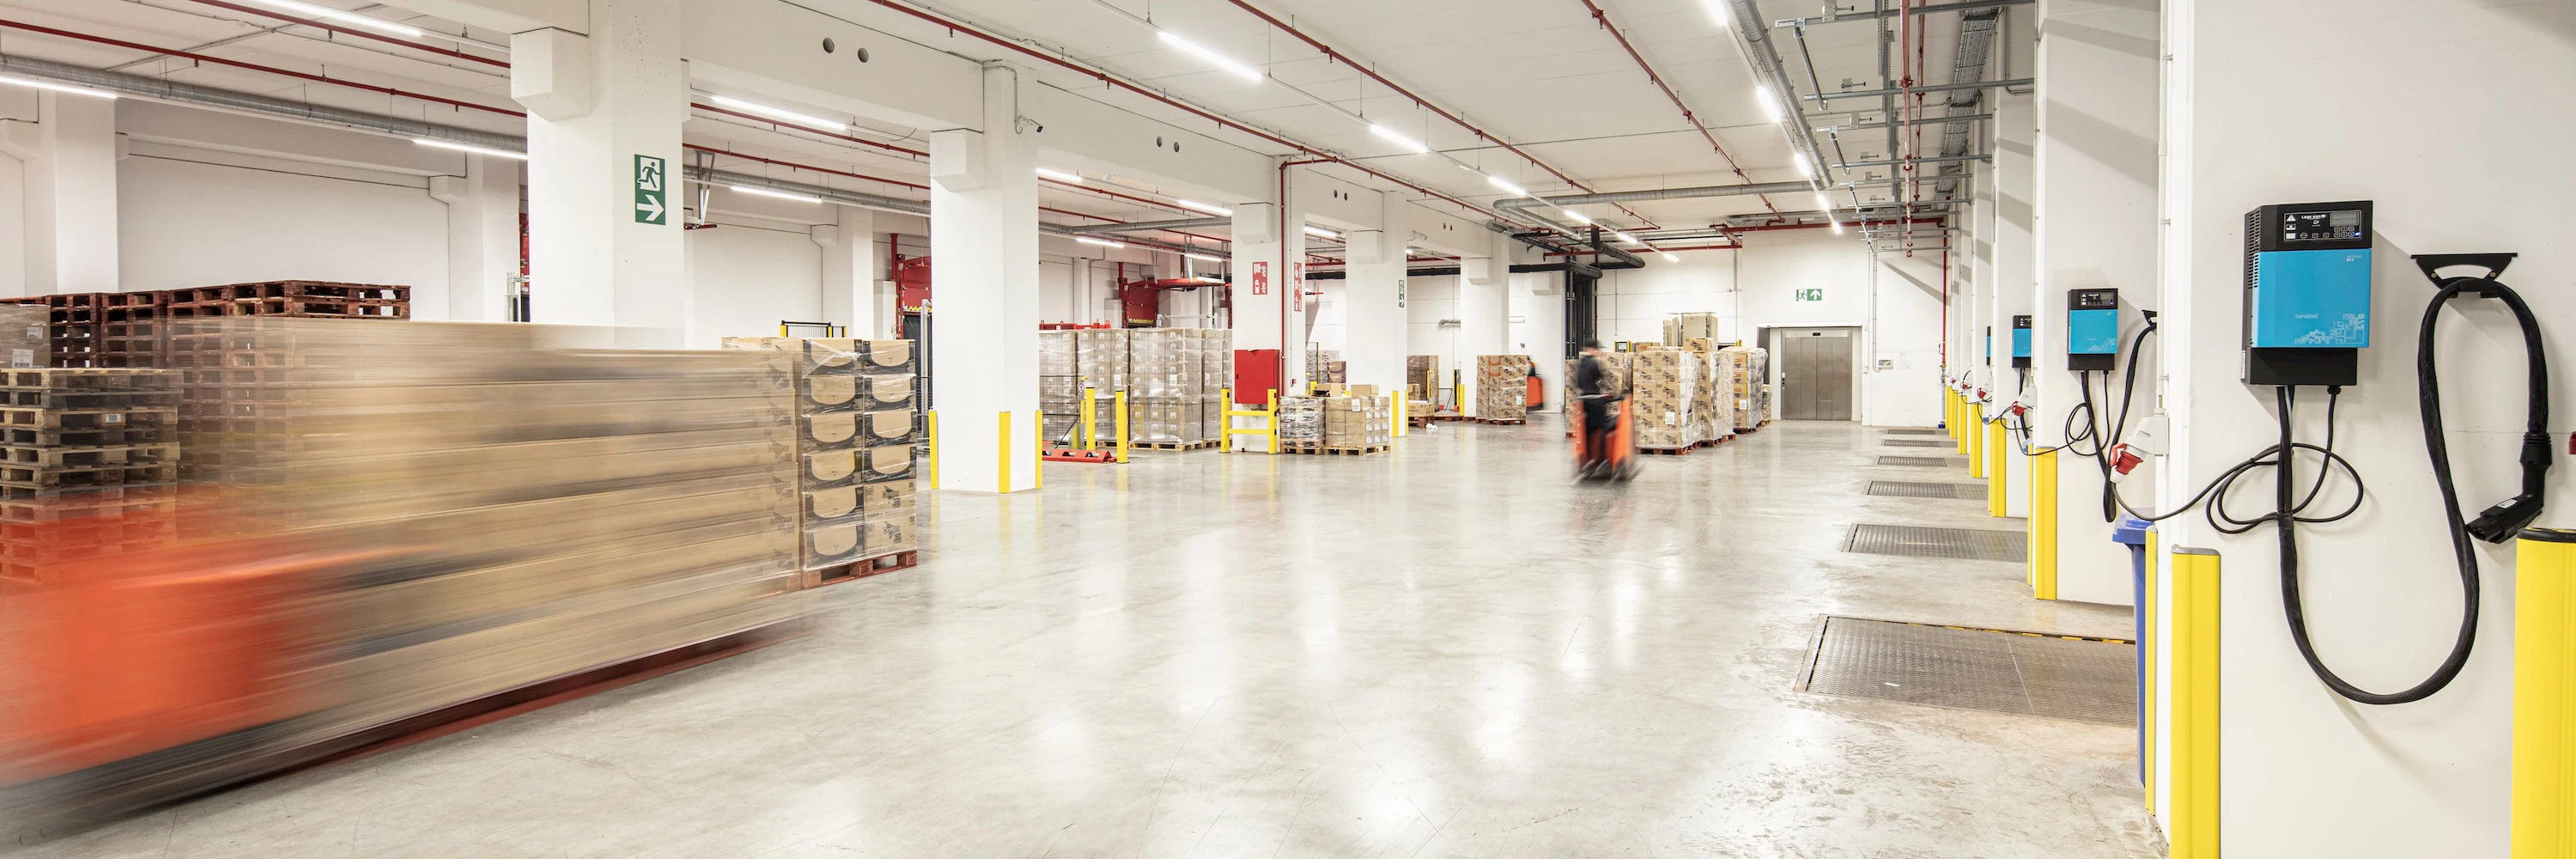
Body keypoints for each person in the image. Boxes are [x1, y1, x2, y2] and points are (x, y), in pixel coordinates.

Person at [1572, 339, 1613, 472]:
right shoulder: (1595, 364)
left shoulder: (1579, 365)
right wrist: (1611, 392)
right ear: (1593, 349)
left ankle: (1587, 459)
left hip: (1583, 401)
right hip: (1596, 401)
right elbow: (1603, 381)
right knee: (1603, 429)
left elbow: (1578, 383)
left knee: (1587, 431)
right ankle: (1601, 460)